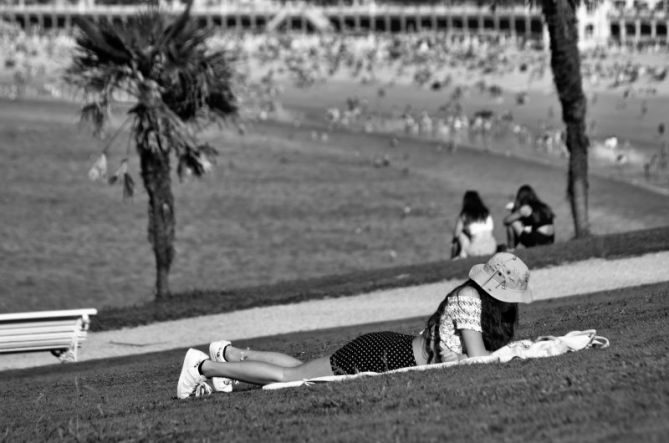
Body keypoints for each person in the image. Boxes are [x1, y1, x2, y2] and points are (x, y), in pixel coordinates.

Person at [176, 252, 534, 399]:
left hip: (392, 351)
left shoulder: (479, 300)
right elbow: (476, 357)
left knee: (302, 371)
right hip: (387, 355)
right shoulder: (471, 299)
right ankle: (203, 365)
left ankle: (231, 356)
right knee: (292, 377)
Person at [503, 184, 555, 249]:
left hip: (538, 240)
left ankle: (511, 249)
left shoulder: (526, 208)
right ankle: (512, 248)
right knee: (526, 227)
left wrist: (514, 211)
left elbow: (506, 220)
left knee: (512, 223)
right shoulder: (544, 206)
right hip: (550, 239)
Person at [450, 190, 497, 259]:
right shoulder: (486, 213)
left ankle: (462, 253)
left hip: (475, 250)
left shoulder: (465, 215)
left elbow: (456, 234)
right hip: (492, 248)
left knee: (461, 234)